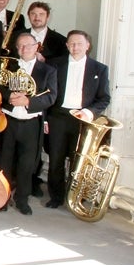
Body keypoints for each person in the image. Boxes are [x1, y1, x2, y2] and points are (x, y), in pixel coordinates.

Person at [45, 31, 110, 209]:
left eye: (79, 43)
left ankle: (73, 196)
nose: (75, 47)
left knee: (78, 159)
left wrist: (89, 112)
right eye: (71, 44)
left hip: (83, 119)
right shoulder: (54, 65)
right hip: (58, 116)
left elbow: (104, 98)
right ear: (66, 45)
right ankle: (56, 196)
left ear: (87, 46)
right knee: (56, 158)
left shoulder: (99, 69)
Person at [0, 34, 57, 215]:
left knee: (27, 164)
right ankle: (2, 198)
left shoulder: (48, 70)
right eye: (20, 46)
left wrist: (27, 101)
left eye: (28, 46)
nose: (24, 50)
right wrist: (9, 97)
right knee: (5, 162)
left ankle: (22, 199)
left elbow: (51, 96)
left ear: (36, 46)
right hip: (8, 120)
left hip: (31, 122)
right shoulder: (10, 65)